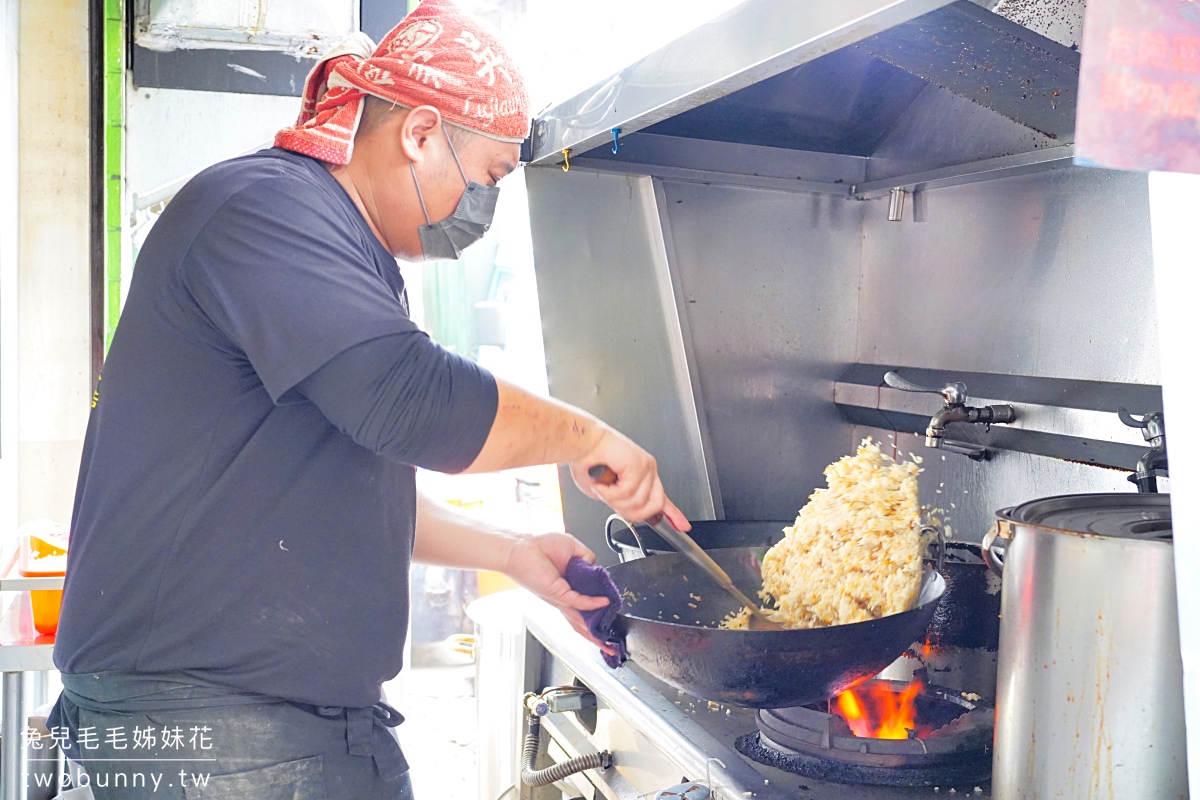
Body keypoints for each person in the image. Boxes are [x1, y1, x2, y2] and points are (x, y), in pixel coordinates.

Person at [46, 2, 689, 797]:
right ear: (419, 134)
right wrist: (590, 436)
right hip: (217, 730)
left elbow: (340, 491)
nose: (481, 207)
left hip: (253, 730)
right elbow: (410, 400)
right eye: (485, 176)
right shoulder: (264, 207)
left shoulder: (342, 252)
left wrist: (511, 552)